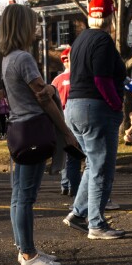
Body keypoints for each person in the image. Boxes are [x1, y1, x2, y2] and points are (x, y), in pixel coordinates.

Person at [0, 4, 77, 265]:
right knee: (25, 196)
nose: (36, 29)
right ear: (21, 26)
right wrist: (65, 131)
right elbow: (43, 98)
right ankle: (29, 255)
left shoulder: (8, 59)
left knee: (18, 195)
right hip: (32, 128)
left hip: (18, 130)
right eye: (32, 23)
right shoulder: (23, 58)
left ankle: (25, 250)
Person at [61, 0, 126, 240]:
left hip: (74, 107)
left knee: (92, 164)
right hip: (96, 109)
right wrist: (116, 104)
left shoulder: (80, 40)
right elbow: (101, 79)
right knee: (102, 167)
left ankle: (78, 213)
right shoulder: (103, 41)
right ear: (111, 15)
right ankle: (96, 224)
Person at [52, 47, 79, 196]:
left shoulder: (56, 80)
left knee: (65, 154)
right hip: (75, 116)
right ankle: (73, 187)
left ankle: (65, 184)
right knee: (74, 155)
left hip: (60, 118)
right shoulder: (78, 77)